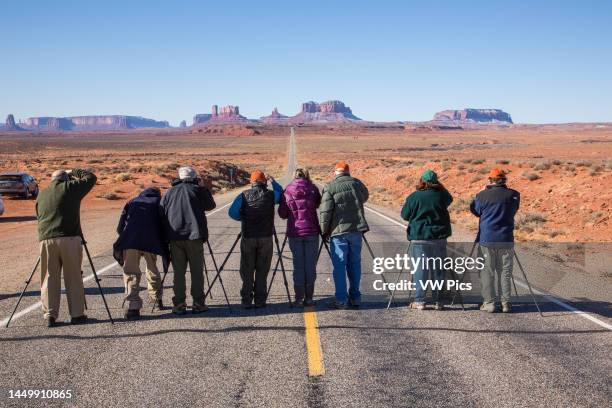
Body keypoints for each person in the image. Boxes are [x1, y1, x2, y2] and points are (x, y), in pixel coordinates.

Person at [35, 168, 97, 327]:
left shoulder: (41, 194)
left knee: (49, 278)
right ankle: (76, 314)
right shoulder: (70, 188)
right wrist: (73, 172)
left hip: (46, 239)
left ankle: (50, 315)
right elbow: (91, 178)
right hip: (69, 237)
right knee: (73, 276)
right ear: (66, 179)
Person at [160, 166, 216, 315]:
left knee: (178, 272)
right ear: (194, 177)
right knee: (196, 271)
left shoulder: (169, 192)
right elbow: (211, 205)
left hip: (175, 237)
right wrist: (203, 188)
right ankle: (198, 303)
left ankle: (179, 304)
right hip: (194, 237)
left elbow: (161, 211)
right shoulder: (197, 190)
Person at [228, 170, 282, 308]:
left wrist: (244, 217)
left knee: (247, 269)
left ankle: (246, 300)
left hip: (248, 236)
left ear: (251, 182)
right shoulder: (271, 195)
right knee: (262, 269)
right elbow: (280, 193)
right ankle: (260, 300)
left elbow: (233, 213)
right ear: (264, 182)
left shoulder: (243, 195)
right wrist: (273, 181)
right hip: (266, 237)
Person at [319, 161, 369, 309]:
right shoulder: (357, 183)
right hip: (356, 230)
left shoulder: (330, 187)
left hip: (338, 233)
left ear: (335, 172)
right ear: (348, 172)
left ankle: (341, 299)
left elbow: (325, 212)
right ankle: (355, 297)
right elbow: (365, 197)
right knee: (354, 264)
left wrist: (324, 231)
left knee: (339, 266)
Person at [400, 169, 453, 311]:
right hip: (439, 238)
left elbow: (405, 215)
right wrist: (440, 186)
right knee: (438, 269)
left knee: (420, 270)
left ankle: (420, 300)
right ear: (436, 182)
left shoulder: (414, 196)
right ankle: (438, 301)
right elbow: (450, 199)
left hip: (419, 237)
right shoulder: (442, 196)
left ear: (421, 181)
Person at [113, 187, 168, 320]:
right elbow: (165, 224)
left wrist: (127, 237)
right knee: (152, 268)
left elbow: (120, 227)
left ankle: (133, 307)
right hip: (151, 241)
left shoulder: (132, 201)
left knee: (131, 273)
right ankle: (156, 299)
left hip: (131, 241)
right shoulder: (160, 202)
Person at [470, 168, 520, 313]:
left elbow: (475, 211)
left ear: (490, 180)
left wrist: (478, 195)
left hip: (487, 239)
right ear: (504, 180)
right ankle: (505, 303)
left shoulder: (482, 195)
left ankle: (489, 303)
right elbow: (514, 209)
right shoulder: (514, 195)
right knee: (505, 271)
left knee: (487, 271)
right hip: (506, 239)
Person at [278, 168, 321, 307]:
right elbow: (319, 204)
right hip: (312, 232)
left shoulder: (287, 190)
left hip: (295, 233)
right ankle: (309, 298)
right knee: (310, 265)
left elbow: (283, 214)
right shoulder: (313, 189)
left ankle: (298, 298)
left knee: (298, 265)